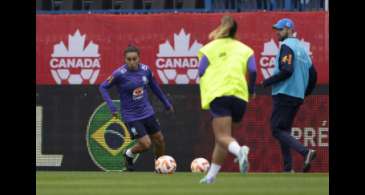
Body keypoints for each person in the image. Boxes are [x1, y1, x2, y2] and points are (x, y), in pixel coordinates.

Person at [198, 15, 257, 184]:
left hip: (220, 93)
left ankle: (240, 152)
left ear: (221, 27)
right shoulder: (246, 49)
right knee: (223, 138)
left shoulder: (210, 48)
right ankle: (210, 177)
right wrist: (251, 90)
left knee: (222, 136)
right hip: (240, 96)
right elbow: (252, 71)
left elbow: (201, 70)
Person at [99, 45, 174, 171]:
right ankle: (129, 154)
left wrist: (166, 103)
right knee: (146, 144)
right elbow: (103, 87)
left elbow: (155, 87)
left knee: (160, 140)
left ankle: (159, 166)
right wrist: (112, 107)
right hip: (131, 116)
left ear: (139, 58)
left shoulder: (146, 70)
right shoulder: (119, 74)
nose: (132, 62)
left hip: (147, 112)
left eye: (134, 59)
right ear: (125, 60)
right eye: (129, 59)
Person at [262, 18, 317, 172]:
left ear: (289, 29)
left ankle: (306, 152)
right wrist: (304, 93)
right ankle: (288, 168)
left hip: (284, 93)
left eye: (280, 29)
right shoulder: (303, 49)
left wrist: (268, 81)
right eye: (276, 29)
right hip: (296, 95)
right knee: (283, 130)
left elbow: (287, 70)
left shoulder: (287, 46)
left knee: (276, 129)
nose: (277, 32)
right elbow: (313, 74)